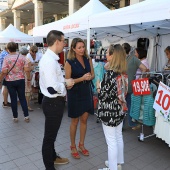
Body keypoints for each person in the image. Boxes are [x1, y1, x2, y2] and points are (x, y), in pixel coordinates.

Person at [39, 30, 74, 170]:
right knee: (49, 138)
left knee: (51, 136)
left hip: (54, 102)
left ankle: (53, 158)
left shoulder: (52, 59)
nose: (64, 44)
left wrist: (64, 81)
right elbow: (52, 88)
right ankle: (49, 166)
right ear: (57, 41)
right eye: (63, 41)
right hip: (53, 102)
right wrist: (66, 83)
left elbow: (54, 82)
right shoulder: (49, 61)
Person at [97, 44, 128, 170]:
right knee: (118, 136)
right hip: (120, 109)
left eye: (107, 53)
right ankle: (118, 163)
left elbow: (103, 96)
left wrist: (98, 86)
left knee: (111, 141)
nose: (105, 54)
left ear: (113, 56)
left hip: (109, 111)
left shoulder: (110, 75)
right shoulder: (122, 73)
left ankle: (113, 168)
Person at [64, 38, 94, 159]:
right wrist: (82, 78)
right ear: (73, 48)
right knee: (75, 121)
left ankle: (81, 144)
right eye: (79, 47)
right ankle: (72, 146)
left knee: (84, 119)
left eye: (83, 47)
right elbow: (67, 82)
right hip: (75, 93)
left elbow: (93, 75)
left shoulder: (88, 59)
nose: (82, 49)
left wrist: (89, 77)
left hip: (86, 92)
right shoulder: (69, 62)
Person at [0, 42, 30, 123]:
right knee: (22, 98)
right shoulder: (22, 57)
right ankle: (26, 116)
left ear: (8, 49)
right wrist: (29, 79)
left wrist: (0, 79)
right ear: (16, 48)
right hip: (21, 80)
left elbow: (4, 71)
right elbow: (27, 69)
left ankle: (15, 117)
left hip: (10, 81)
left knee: (13, 99)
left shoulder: (6, 58)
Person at [122, 43, 147, 130]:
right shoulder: (134, 59)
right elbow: (144, 69)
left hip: (120, 86)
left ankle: (120, 125)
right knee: (129, 105)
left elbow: (107, 67)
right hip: (130, 86)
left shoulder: (119, 59)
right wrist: (140, 78)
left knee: (121, 106)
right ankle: (131, 123)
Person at [19, 47, 33, 111]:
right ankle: (27, 105)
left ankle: (22, 104)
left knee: (21, 92)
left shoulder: (18, 59)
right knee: (27, 92)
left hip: (19, 77)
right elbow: (27, 70)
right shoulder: (27, 60)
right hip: (25, 77)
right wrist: (29, 78)